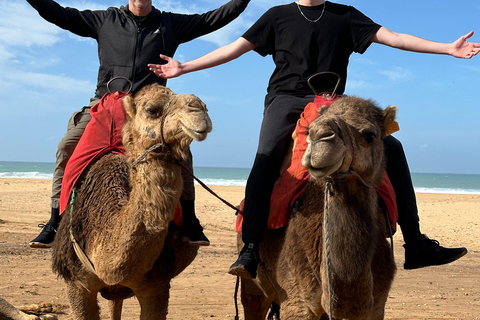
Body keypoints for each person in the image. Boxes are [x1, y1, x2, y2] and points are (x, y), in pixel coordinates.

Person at [149, 0, 479, 278]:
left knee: (388, 145)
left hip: (333, 101)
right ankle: (251, 247)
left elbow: (393, 38)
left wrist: (447, 48)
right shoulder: (277, 16)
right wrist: (185, 67)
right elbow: (234, 50)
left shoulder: (345, 15)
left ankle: (416, 241)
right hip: (286, 100)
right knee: (266, 154)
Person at [27, 0, 251, 249]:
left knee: (182, 152)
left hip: (151, 109)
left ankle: (190, 220)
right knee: (66, 147)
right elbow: (59, 14)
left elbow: (214, 19)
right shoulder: (105, 20)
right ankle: (54, 220)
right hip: (106, 103)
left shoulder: (170, 23)